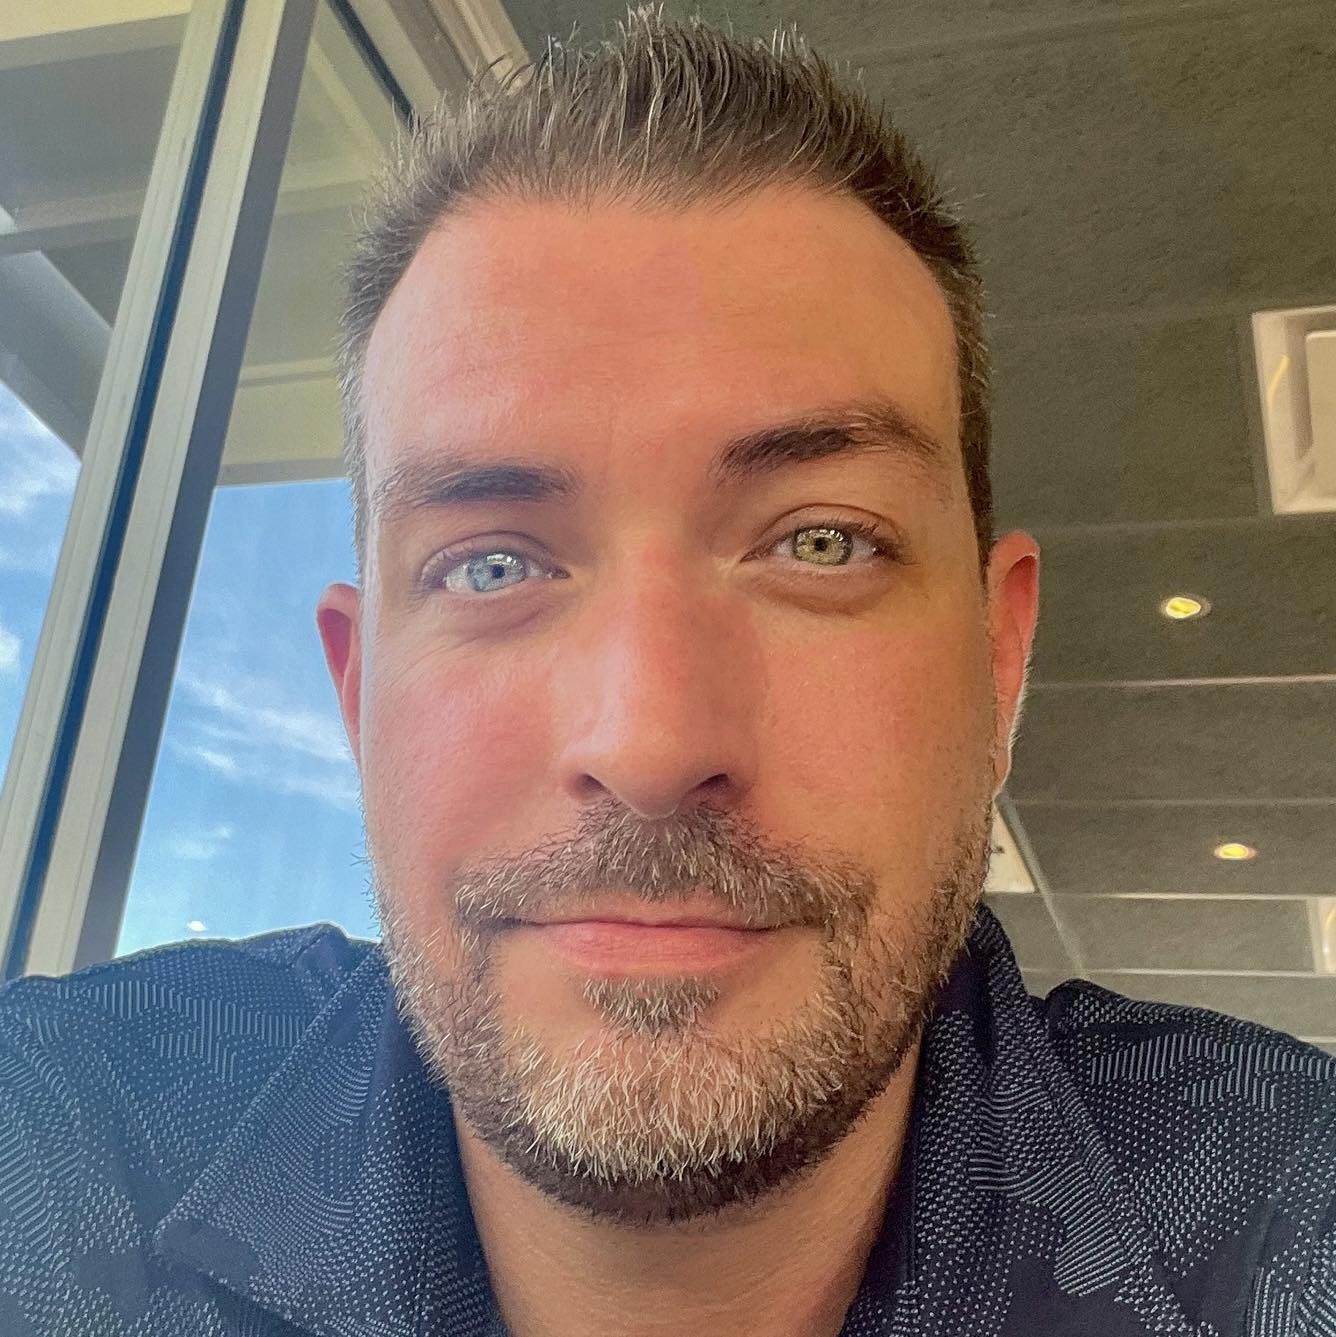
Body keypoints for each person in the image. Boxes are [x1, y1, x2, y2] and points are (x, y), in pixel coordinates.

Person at [2, 7, 1334, 1336]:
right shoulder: (54, 1143)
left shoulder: (1288, 1214)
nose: (648, 741)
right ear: (358, 697)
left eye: (820, 542)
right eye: (492, 564)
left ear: (999, 660)